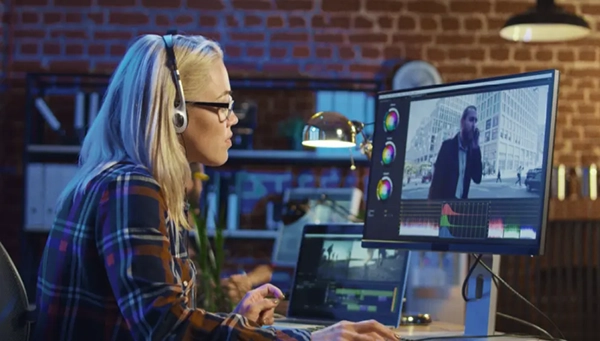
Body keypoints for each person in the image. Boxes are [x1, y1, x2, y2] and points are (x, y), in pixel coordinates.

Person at [32, 32, 399, 341]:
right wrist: (309, 338)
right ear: (175, 110)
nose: (234, 119)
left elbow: (161, 316)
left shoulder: (124, 181)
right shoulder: (132, 186)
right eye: (223, 106)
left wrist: (236, 321)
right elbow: (166, 327)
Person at [428, 105, 483, 200]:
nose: (474, 125)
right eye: (471, 120)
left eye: (476, 121)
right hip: (445, 207)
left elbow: (477, 178)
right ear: (462, 122)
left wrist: (476, 148)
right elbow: (436, 182)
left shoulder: (472, 151)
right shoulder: (447, 146)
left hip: (461, 207)